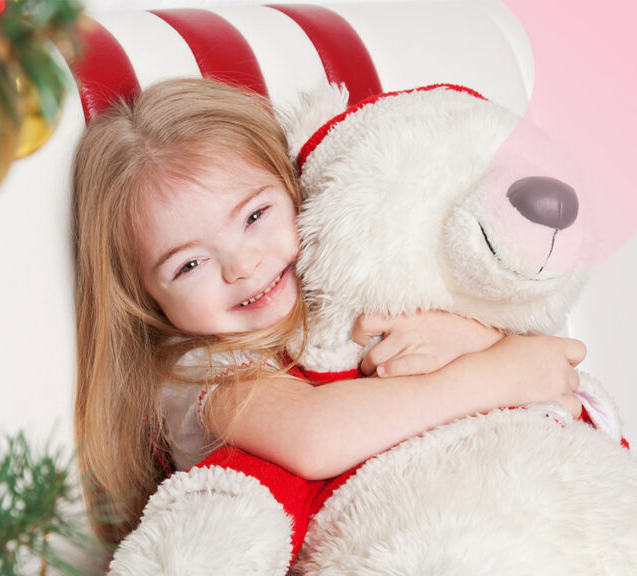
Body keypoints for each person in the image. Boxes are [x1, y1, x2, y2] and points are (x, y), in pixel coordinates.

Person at [70, 77, 585, 544]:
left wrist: (469, 338)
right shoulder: (198, 371)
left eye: (254, 215)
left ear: (296, 187)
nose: (243, 266)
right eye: (189, 265)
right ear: (142, 297)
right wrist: (489, 373)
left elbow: (554, 361)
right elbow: (316, 436)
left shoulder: (342, 293)